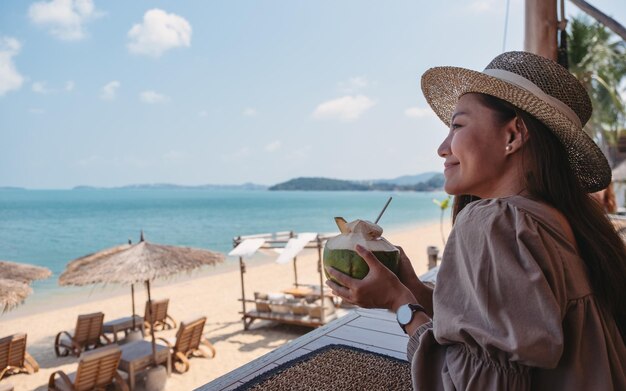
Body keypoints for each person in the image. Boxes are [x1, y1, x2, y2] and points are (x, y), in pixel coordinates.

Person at [325, 51, 626, 390]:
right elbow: (507, 328)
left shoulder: (494, 222)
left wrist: (400, 305)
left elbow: (475, 382)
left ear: (513, 135)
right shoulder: (558, 223)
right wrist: (413, 287)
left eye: (457, 125)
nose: (443, 147)